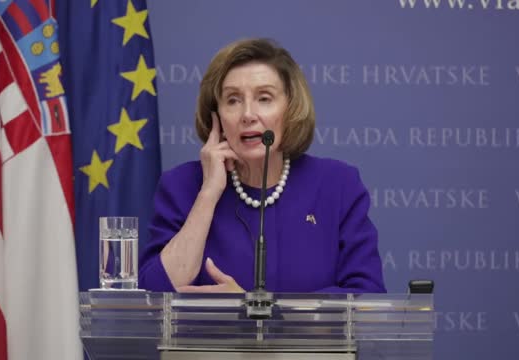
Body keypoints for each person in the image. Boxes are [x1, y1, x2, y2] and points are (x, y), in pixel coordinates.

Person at [139, 38, 385, 293]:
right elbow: (155, 296)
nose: (248, 114)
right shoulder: (182, 186)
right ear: (217, 116)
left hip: (302, 337)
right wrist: (209, 193)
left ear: (290, 108)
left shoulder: (338, 185)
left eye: (264, 98)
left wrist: (250, 311)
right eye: (233, 100)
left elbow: (368, 296)